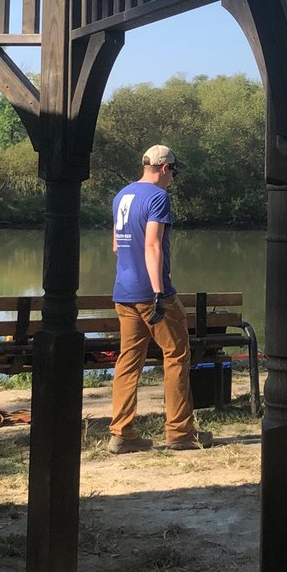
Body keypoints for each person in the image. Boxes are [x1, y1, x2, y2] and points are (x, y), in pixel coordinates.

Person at [108, 144, 211, 454]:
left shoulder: (122, 195)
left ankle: (122, 433)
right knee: (177, 355)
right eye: (174, 173)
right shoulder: (158, 197)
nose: (172, 179)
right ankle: (180, 432)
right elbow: (152, 245)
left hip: (123, 292)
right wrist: (159, 293)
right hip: (151, 293)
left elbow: (116, 245)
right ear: (165, 169)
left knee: (128, 361)